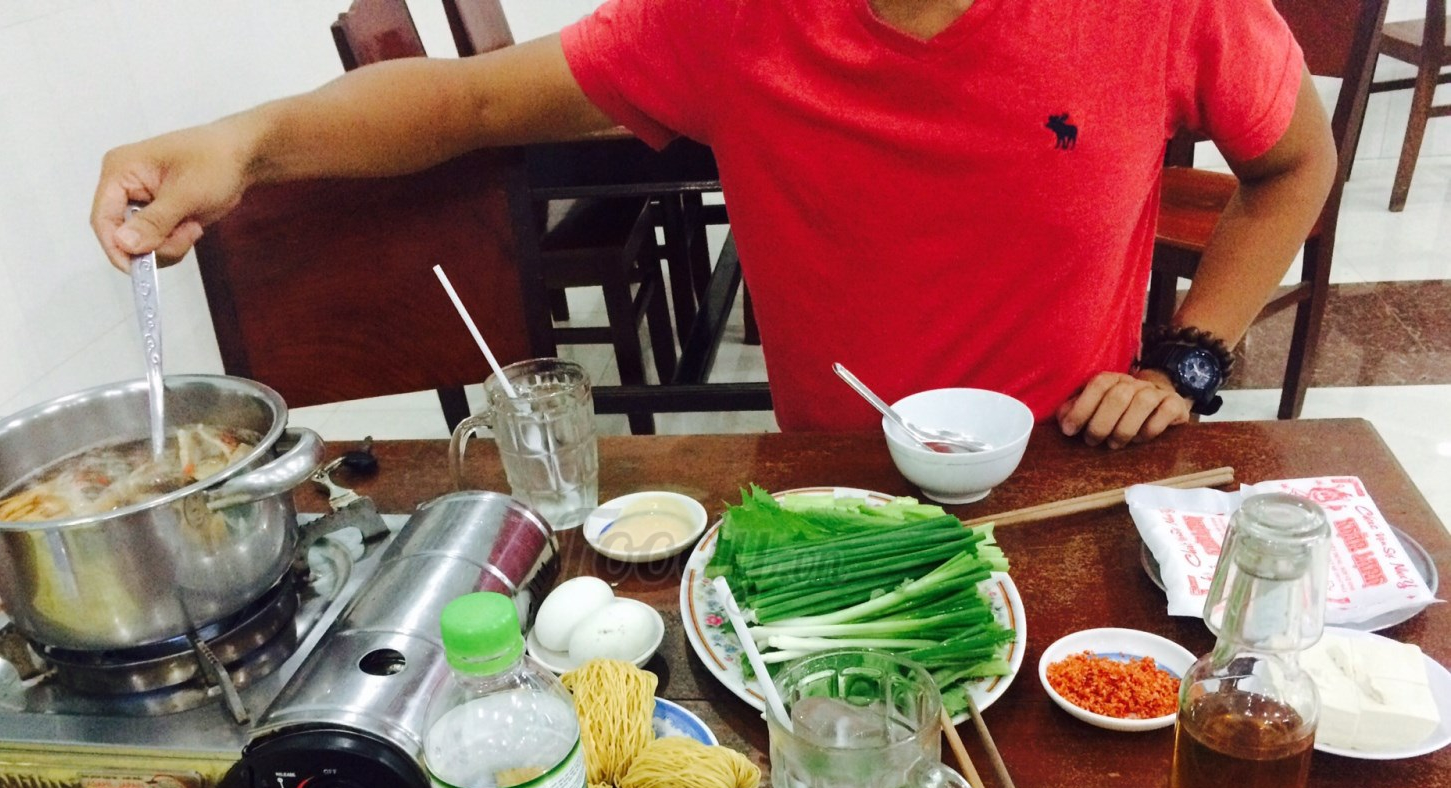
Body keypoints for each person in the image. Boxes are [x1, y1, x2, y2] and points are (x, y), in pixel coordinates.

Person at [91, 0, 1336, 447]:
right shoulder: (731, 16)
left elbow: (1293, 163)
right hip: (827, 489)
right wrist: (247, 142)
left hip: (1069, 459)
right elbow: (472, 98)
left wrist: (1189, 355)